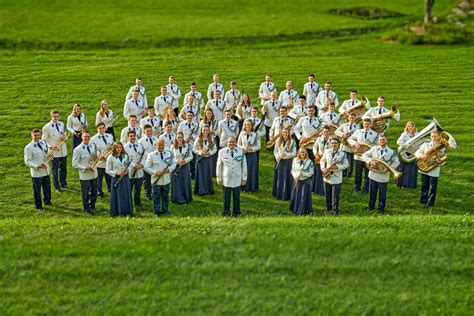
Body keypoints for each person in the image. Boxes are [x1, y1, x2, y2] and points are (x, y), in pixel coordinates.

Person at [415, 130, 456, 208]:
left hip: (434, 170)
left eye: (435, 136)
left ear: (438, 137)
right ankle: (423, 200)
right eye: (432, 136)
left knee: (433, 188)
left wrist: (439, 162)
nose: (433, 138)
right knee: (424, 185)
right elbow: (417, 152)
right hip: (425, 169)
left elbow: (443, 157)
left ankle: (430, 203)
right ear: (430, 137)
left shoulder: (443, 148)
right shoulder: (425, 145)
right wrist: (421, 156)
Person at [362, 134, 400, 215]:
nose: (381, 141)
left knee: (382, 194)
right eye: (380, 140)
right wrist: (370, 161)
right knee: (372, 192)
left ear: (386, 141)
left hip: (383, 176)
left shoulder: (391, 151)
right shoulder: (374, 148)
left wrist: (389, 168)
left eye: (383, 140)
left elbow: (397, 162)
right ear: (378, 141)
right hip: (373, 175)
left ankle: (381, 209)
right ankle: (371, 206)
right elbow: (364, 155)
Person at [144, 139, 177, 217]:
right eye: (159, 145)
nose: (161, 147)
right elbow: (146, 167)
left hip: (166, 179)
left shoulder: (169, 153)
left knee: (165, 195)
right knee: (156, 196)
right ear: (156, 145)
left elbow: (174, 162)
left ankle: (165, 210)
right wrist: (155, 172)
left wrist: (169, 169)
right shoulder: (151, 155)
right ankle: (157, 211)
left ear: (164, 145)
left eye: (162, 145)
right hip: (156, 180)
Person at [216, 137, 247, 217]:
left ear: (236, 142)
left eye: (233, 142)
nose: (231, 143)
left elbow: (244, 165)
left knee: (237, 197)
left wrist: (244, 178)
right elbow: (219, 166)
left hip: (237, 177)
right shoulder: (222, 152)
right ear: (227, 143)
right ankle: (226, 212)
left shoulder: (240, 151)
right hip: (226, 178)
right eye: (230, 142)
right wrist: (218, 178)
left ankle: (237, 212)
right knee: (226, 197)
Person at [347, 118, 378, 193]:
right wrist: (355, 143)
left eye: (368, 124)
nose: (366, 125)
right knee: (358, 173)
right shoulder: (358, 132)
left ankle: (366, 189)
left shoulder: (375, 134)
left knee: (367, 174)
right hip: (358, 156)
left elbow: (376, 145)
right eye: (365, 124)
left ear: (370, 124)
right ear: (363, 124)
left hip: (368, 158)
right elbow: (349, 139)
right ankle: (357, 188)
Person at [320, 137, 349, 216]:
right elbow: (322, 160)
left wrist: (338, 167)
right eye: (332, 143)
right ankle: (328, 208)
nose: (334, 145)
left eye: (335, 143)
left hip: (336, 177)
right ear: (330, 144)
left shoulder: (343, 154)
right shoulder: (326, 151)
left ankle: (335, 211)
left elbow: (346, 165)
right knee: (327, 194)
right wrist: (323, 168)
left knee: (335, 196)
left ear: (338, 144)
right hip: (327, 176)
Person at [24, 129, 51, 210]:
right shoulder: (29, 147)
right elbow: (27, 161)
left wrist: (50, 155)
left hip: (46, 170)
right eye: (35, 135)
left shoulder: (43, 142)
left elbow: (46, 154)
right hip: (37, 173)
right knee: (37, 190)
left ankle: (47, 201)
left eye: (38, 135)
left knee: (47, 188)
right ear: (32, 136)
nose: (37, 137)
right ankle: (38, 206)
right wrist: (37, 166)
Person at [72, 131, 98, 214]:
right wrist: (85, 168)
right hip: (85, 175)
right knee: (85, 193)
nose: (87, 138)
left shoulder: (93, 145)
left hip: (94, 173)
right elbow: (74, 164)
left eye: (88, 136)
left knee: (94, 192)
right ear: (81, 137)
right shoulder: (77, 149)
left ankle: (92, 206)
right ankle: (87, 209)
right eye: (85, 136)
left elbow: (94, 157)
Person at [42, 110, 68, 192]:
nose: (56, 118)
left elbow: (64, 134)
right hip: (54, 152)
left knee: (63, 168)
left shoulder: (62, 124)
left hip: (63, 150)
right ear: (51, 117)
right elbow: (44, 140)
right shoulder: (46, 127)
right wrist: (50, 147)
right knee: (55, 170)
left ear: (59, 116)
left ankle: (63, 183)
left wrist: (65, 138)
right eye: (54, 116)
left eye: (57, 116)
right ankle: (57, 187)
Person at [106, 142, 133, 217]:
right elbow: (107, 170)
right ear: (114, 148)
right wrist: (116, 173)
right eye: (117, 147)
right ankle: (118, 212)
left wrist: (128, 170)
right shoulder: (110, 157)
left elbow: (129, 166)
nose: (119, 149)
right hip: (116, 179)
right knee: (118, 195)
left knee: (126, 194)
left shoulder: (125, 155)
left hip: (125, 178)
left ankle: (127, 212)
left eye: (120, 147)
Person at [90, 122, 114, 196]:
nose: (102, 129)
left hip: (108, 160)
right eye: (100, 128)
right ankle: (99, 192)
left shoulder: (110, 136)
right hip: (99, 162)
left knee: (109, 177)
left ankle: (111, 190)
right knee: (99, 179)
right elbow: (92, 151)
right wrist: (100, 156)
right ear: (97, 129)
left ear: (105, 128)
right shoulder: (93, 139)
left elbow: (112, 146)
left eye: (103, 128)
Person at [237, 119, 261, 192]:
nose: (248, 126)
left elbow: (259, 146)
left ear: (252, 126)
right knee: (243, 170)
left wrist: (252, 149)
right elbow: (238, 144)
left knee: (251, 170)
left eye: (249, 125)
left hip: (252, 155)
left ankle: (251, 187)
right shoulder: (242, 133)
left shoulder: (255, 134)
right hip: (243, 154)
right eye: (246, 124)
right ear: (244, 125)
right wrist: (243, 148)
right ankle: (243, 187)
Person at [272, 128, 296, 200]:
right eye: (283, 132)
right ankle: (278, 193)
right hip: (279, 161)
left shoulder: (292, 141)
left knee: (287, 177)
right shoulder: (278, 140)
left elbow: (294, 153)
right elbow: (275, 150)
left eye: (286, 132)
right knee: (279, 176)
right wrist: (277, 156)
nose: (285, 134)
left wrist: (286, 155)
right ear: (281, 133)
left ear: (289, 133)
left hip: (288, 162)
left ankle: (287, 194)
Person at [124, 130, 146, 207]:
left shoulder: (140, 145)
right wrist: (134, 165)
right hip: (131, 171)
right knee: (129, 188)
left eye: (134, 136)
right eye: (131, 136)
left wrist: (142, 164)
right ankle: (128, 202)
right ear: (128, 137)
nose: (132, 137)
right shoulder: (125, 147)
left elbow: (144, 156)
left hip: (139, 170)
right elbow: (125, 160)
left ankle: (137, 202)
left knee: (138, 188)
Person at [290, 147, 314, 215]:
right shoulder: (295, 160)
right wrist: (295, 176)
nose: (302, 153)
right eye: (301, 152)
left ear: (306, 153)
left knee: (303, 195)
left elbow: (311, 172)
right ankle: (295, 209)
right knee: (296, 195)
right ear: (298, 153)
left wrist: (303, 174)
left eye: (303, 152)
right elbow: (293, 169)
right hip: (296, 180)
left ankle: (303, 210)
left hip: (305, 181)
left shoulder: (309, 161)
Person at [334, 112, 360, 178]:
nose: (352, 119)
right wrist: (342, 134)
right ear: (348, 118)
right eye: (350, 117)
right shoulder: (344, 125)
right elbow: (336, 131)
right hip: (343, 146)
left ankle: (349, 175)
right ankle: (342, 173)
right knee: (342, 159)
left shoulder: (358, 127)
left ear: (355, 118)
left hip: (351, 147)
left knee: (350, 161)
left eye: (353, 118)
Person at [193, 126, 217, 195]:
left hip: (208, 158)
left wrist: (209, 153)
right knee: (201, 174)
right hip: (200, 159)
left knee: (207, 173)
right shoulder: (198, 139)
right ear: (201, 131)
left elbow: (215, 149)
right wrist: (201, 153)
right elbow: (194, 149)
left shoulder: (211, 139)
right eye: (204, 130)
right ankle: (201, 190)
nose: (205, 132)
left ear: (209, 131)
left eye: (206, 130)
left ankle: (208, 189)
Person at [170, 132, 193, 204]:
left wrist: (184, 161)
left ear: (183, 138)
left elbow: (191, 156)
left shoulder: (187, 146)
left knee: (184, 182)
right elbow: (170, 157)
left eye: (181, 137)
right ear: (176, 138)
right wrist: (177, 162)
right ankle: (176, 198)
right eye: (178, 137)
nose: (179, 139)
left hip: (185, 166)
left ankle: (185, 197)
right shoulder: (172, 146)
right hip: (176, 167)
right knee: (176, 182)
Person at [396, 121, 418, 188]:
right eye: (409, 126)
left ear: (414, 127)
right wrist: (406, 145)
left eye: (411, 126)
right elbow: (398, 142)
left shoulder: (417, 134)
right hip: (405, 155)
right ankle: (402, 184)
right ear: (407, 127)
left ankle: (411, 185)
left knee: (412, 169)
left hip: (413, 154)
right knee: (404, 169)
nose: (410, 128)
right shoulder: (405, 134)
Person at [138, 124, 158, 200]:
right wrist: (142, 163)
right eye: (147, 131)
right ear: (144, 132)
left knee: (155, 178)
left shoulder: (156, 139)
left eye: (150, 131)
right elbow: (140, 153)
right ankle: (147, 194)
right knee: (147, 179)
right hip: (146, 162)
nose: (149, 132)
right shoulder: (141, 141)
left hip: (155, 162)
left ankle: (155, 193)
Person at [312, 126, 331, 195]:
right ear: (322, 132)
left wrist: (325, 155)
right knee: (318, 174)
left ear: (329, 132)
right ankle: (316, 188)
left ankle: (323, 190)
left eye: (327, 132)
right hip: (318, 159)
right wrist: (316, 154)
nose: (325, 133)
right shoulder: (319, 139)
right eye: (324, 132)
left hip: (327, 160)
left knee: (324, 174)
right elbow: (314, 147)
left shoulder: (331, 140)